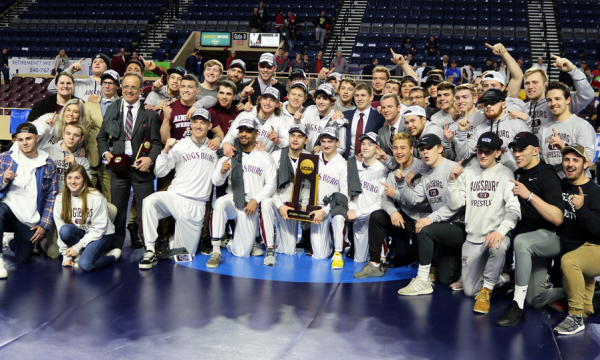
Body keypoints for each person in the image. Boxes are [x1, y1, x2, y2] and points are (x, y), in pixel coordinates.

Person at [495, 132, 565, 327]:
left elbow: (558, 218)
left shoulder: (547, 174)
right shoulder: (517, 173)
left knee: (521, 241)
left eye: (522, 150)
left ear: (536, 151)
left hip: (550, 238)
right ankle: (583, 289)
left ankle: (517, 306)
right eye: (515, 150)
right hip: (530, 245)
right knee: (536, 298)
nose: (517, 154)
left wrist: (529, 195)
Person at [447, 132, 521, 313]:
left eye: (488, 151)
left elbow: (514, 209)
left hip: (494, 234)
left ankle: (487, 289)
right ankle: (503, 278)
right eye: (480, 150)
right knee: (469, 291)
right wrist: (451, 181)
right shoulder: (469, 172)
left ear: (498, 153)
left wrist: (501, 231)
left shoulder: (505, 173)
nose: (483, 155)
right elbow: (455, 204)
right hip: (472, 236)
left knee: (498, 246)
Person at [140, 109, 219, 268]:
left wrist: (220, 140)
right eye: (195, 122)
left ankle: (171, 242)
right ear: (190, 124)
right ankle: (149, 249)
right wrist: (165, 150)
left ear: (209, 126)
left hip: (197, 204)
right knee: (149, 201)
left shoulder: (214, 148)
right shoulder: (179, 145)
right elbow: (159, 172)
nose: (198, 126)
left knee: (184, 255)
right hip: (175, 196)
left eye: (202, 122)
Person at [97, 72, 163, 250]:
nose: (129, 90)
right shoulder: (113, 109)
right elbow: (101, 138)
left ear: (141, 90)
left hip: (142, 170)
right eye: (126, 86)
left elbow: (157, 143)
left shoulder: (150, 114)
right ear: (121, 88)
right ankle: (116, 246)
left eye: (134, 87)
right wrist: (105, 154)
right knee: (118, 211)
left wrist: (150, 158)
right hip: (118, 170)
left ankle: (150, 246)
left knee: (146, 211)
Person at [396, 134, 466, 295]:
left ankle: (422, 280)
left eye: (429, 148)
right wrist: (401, 184)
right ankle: (462, 266)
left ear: (440, 149)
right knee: (446, 278)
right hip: (444, 229)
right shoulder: (427, 175)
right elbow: (413, 199)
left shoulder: (453, 168)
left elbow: (456, 206)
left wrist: (429, 218)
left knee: (424, 229)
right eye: (422, 149)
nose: (425, 152)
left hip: (460, 225)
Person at [209, 118, 277, 267]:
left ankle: (239, 242)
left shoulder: (265, 157)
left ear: (256, 134)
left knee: (242, 253)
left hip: (251, 206)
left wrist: (256, 200)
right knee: (219, 203)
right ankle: (215, 251)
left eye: (248, 131)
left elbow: (272, 184)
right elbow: (216, 181)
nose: (244, 134)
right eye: (241, 131)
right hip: (233, 199)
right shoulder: (230, 154)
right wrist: (221, 172)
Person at [552, 145, 600, 335]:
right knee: (587, 307)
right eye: (566, 160)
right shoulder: (560, 185)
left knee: (569, 261)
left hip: (595, 247)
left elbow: (598, 230)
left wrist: (582, 209)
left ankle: (575, 318)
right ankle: (587, 304)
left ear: (586, 164)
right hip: (575, 250)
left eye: (576, 160)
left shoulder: (595, 192)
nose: (570, 164)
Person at [0, 123, 57, 277]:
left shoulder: (48, 163)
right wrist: (3, 180)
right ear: (16, 141)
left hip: (29, 217)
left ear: (37, 138)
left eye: (28, 138)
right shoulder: (5, 158)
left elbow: (52, 195)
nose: (24, 143)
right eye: (20, 139)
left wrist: (44, 224)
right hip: (9, 208)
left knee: (23, 258)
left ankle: (10, 239)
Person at [259, 124, 311, 264]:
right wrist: (280, 205)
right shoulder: (275, 156)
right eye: (292, 135)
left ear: (306, 140)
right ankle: (270, 247)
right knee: (265, 202)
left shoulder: (310, 158)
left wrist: (305, 211)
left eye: (300, 136)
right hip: (277, 202)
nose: (295, 139)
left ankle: (277, 235)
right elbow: (268, 186)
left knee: (287, 250)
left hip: (294, 208)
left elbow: (311, 190)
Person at [54, 164, 119, 271]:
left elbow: (99, 229)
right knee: (65, 230)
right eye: (69, 178)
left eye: (77, 178)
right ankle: (86, 252)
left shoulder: (96, 197)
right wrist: (66, 256)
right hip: (83, 233)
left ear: (84, 179)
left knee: (85, 265)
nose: (73, 181)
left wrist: (77, 246)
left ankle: (112, 256)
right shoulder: (60, 198)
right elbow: (60, 227)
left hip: (102, 235)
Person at [455, 88, 530, 172]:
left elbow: (530, 153)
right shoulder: (480, 129)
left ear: (504, 104)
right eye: (486, 104)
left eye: (493, 103)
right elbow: (463, 155)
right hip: (488, 179)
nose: (488, 106)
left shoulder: (517, 124)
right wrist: (462, 132)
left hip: (514, 177)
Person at [536, 81, 596, 178]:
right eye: (549, 100)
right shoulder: (543, 130)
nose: (553, 103)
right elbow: (542, 163)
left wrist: (563, 148)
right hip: (551, 187)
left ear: (568, 100)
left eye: (557, 99)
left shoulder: (582, 126)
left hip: (576, 187)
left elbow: (587, 162)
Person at [523, 56, 595, 134]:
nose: (530, 87)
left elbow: (587, 95)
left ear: (545, 85)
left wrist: (573, 70)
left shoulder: (558, 103)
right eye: (527, 83)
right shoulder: (523, 108)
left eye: (535, 82)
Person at [308, 127, 348, 266]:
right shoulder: (312, 160)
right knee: (320, 256)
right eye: (323, 141)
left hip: (333, 207)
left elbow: (343, 195)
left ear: (337, 142)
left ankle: (338, 252)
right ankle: (329, 240)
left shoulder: (343, 164)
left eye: (330, 141)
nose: (326, 145)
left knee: (338, 218)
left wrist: (324, 210)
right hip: (315, 207)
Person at [346, 132, 388, 263]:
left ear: (377, 148)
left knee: (377, 260)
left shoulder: (382, 170)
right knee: (359, 260)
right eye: (363, 144)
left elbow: (381, 203)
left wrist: (358, 213)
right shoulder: (354, 166)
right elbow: (350, 193)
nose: (365, 147)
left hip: (372, 220)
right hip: (357, 220)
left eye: (370, 144)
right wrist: (352, 209)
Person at [84, 70, 120, 201]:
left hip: (112, 159)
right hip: (91, 158)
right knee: (88, 199)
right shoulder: (89, 105)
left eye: (111, 83)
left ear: (117, 86)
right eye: (104, 83)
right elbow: (84, 131)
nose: (107, 86)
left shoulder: (123, 105)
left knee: (110, 199)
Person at [443, 84, 486, 168]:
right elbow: (451, 157)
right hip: (460, 172)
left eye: (465, 97)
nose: (460, 101)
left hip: (480, 171)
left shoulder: (484, 118)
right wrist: (446, 142)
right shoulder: (452, 126)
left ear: (475, 99)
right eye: (458, 98)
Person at [343, 83, 385, 159]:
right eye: (357, 96)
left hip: (371, 161)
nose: (359, 99)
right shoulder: (345, 116)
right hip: (349, 161)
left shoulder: (380, 116)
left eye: (363, 95)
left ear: (371, 97)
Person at [377, 94, 405, 169]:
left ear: (398, 108)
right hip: (389, 170)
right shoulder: (381, 131)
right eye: (383, 107)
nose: (386, 110)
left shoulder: (408, 125)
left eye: (390, 106)